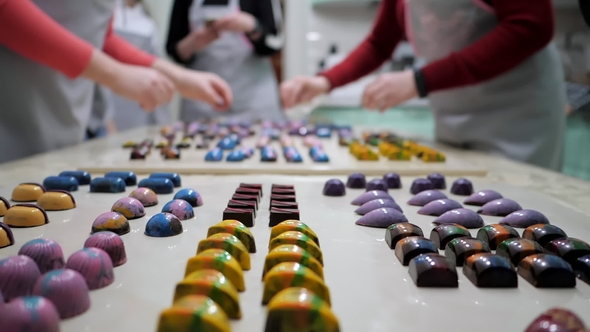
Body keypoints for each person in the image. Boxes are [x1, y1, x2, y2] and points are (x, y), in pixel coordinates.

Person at [281, 0, 567, 171]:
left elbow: (531, 26)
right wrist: (324, 81)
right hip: (454, 112)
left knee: (523, 219)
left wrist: (420, 80)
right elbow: (380, 43)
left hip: (518, 112)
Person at [0, 0, 233, 164]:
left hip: (60, 125)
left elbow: (103, 39)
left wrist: (179, 78)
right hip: (11, 117)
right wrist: (116, 75)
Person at [166, 0, 285, 123]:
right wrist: (193, 43)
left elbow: (276, 43)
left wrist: (253, 26)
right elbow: (173, 50)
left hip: (254, 101)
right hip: (201, 104)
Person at [108, 0, 172, 132]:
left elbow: (157, 74)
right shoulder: (107, 13)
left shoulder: (147, 22)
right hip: (108, 109)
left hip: (139, 109)